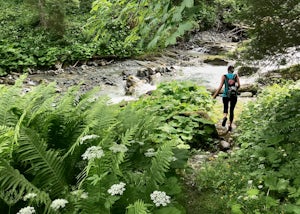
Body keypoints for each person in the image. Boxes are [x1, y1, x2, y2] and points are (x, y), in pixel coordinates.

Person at [212, 65, 241, 131]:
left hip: (225, 95)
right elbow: (239, 85)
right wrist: (236, 89)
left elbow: (220, 87)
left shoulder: (224, 76)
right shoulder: (236, 76)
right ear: (232, 70)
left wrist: (214, 96)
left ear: (227, 70)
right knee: (232, 110)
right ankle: (230, 125)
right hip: (234, 95)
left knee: (225, 107)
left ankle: (225, 117)